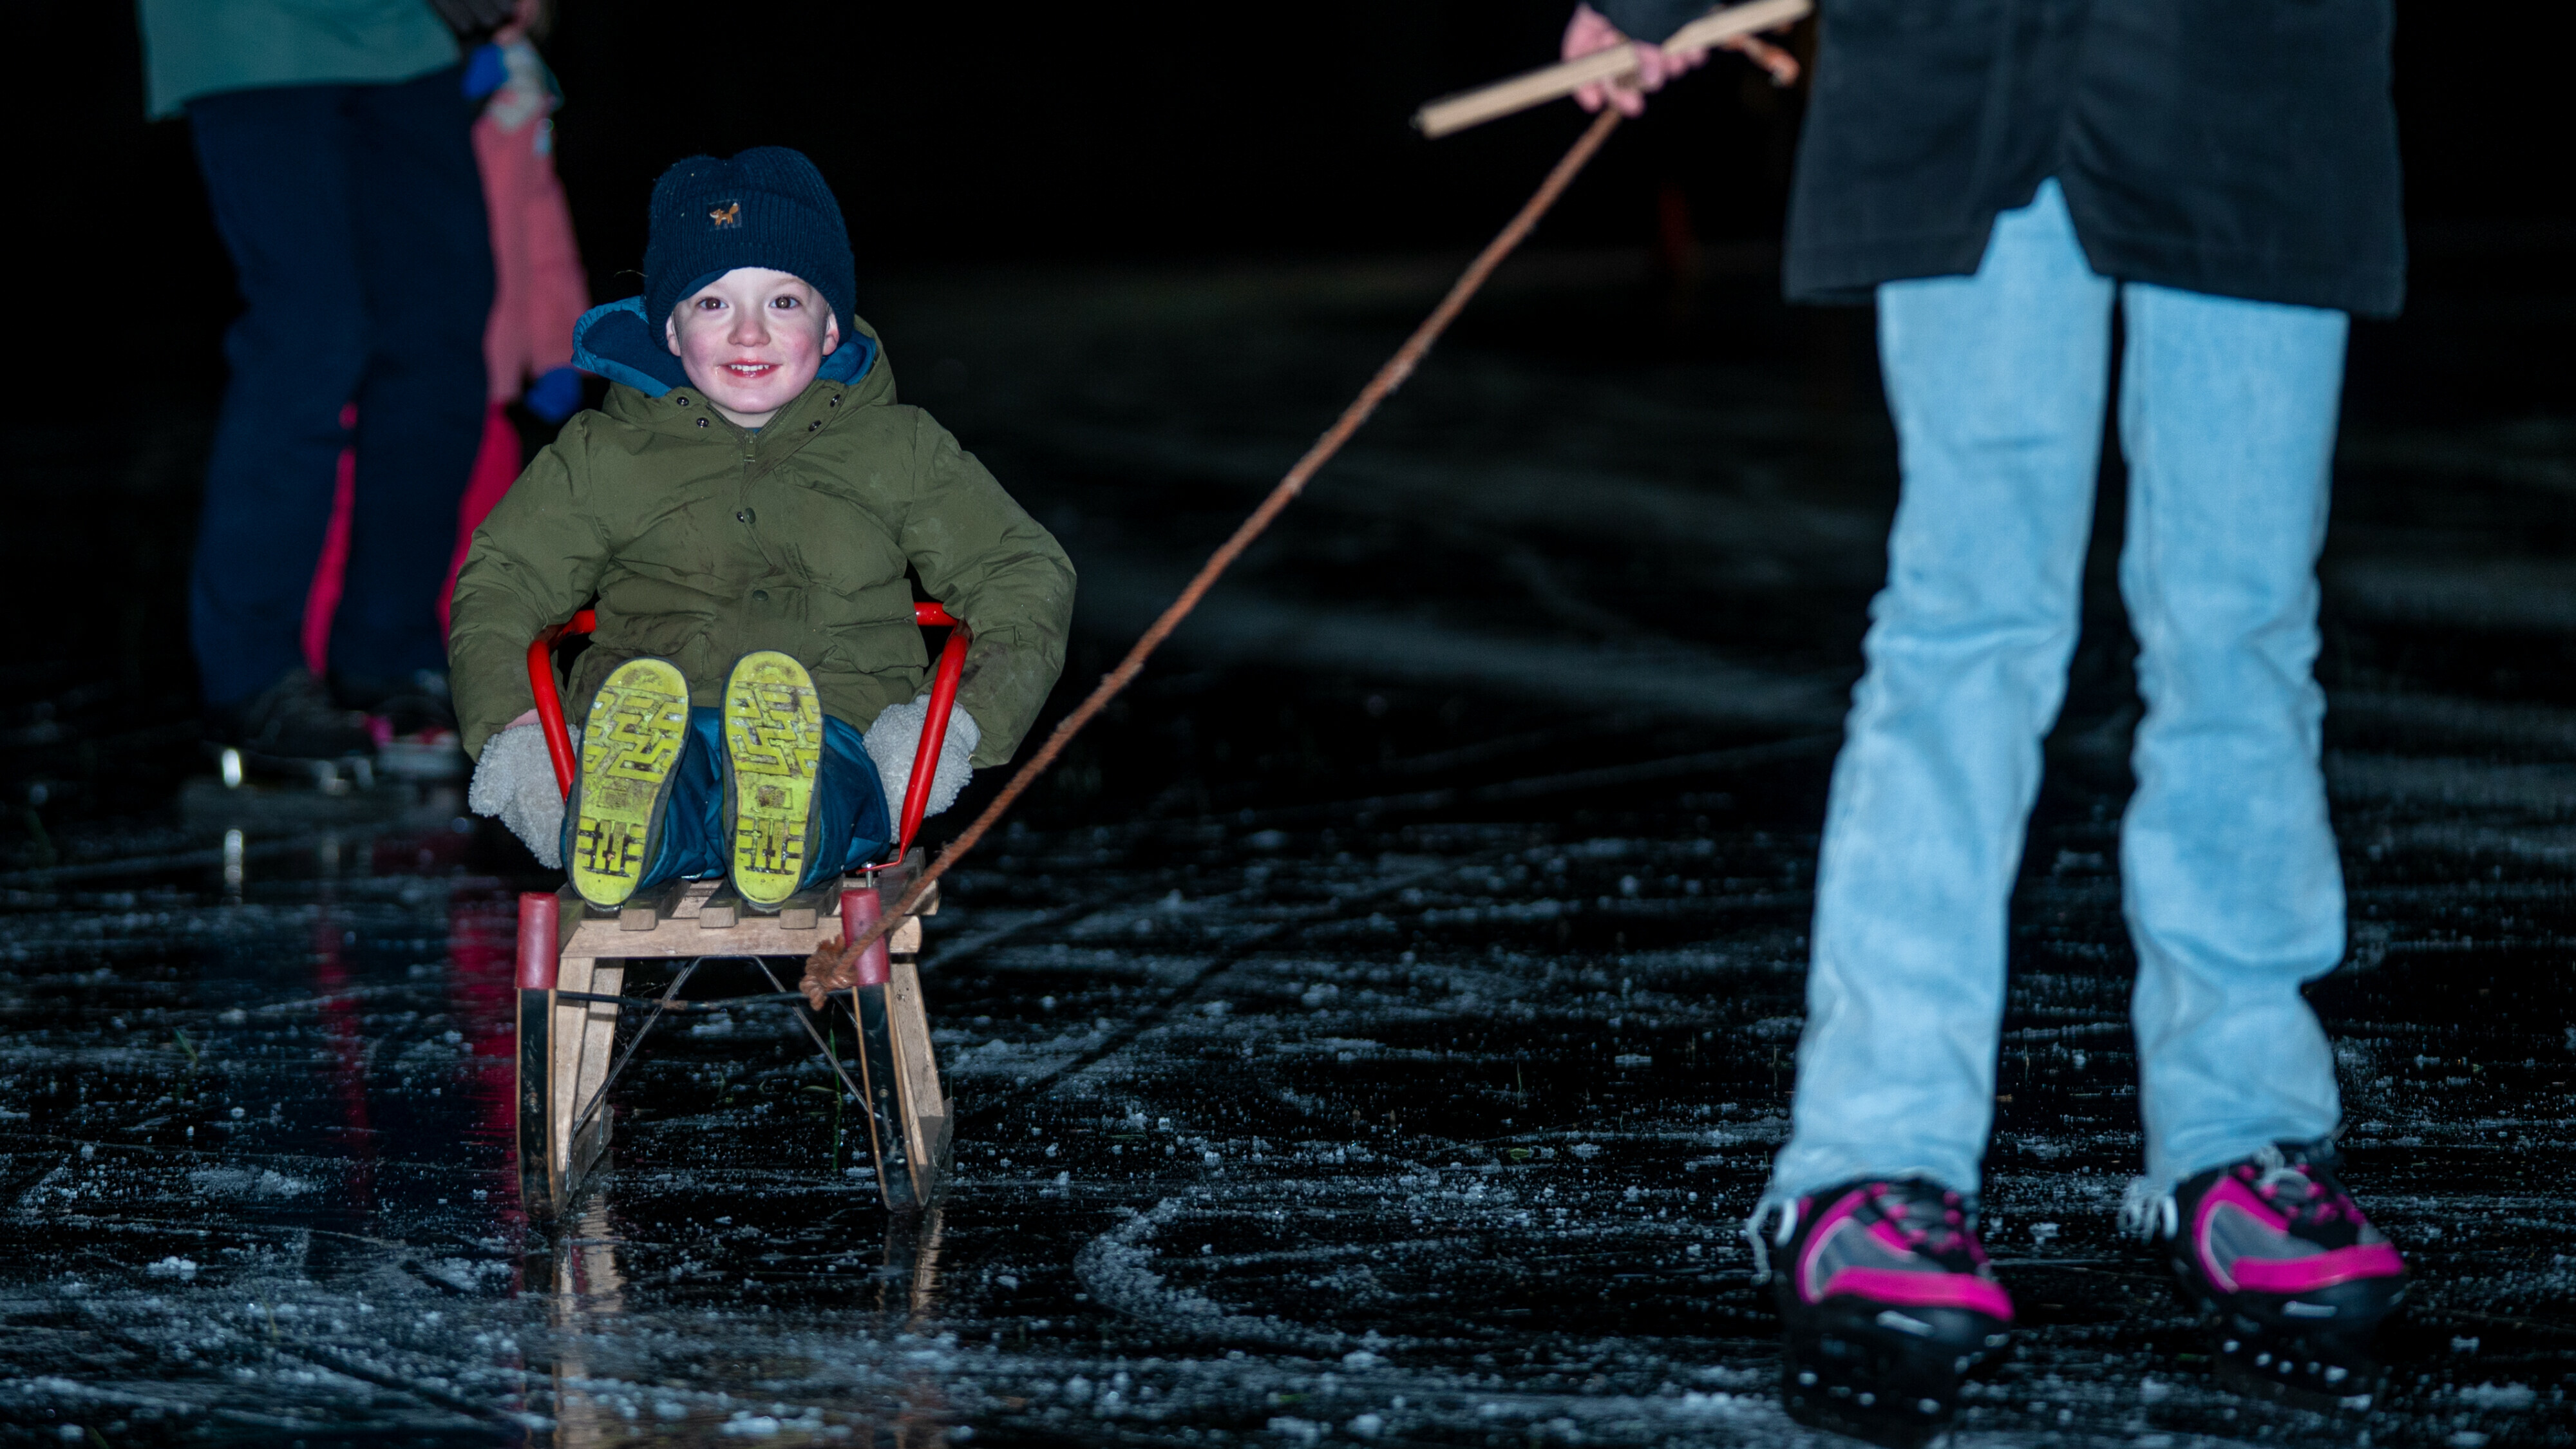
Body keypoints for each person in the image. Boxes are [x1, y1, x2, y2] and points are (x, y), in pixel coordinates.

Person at [1567, 1, 2411, 1438]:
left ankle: (2238, 1133)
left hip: (2251, 78)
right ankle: (1871, 1159)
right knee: (1966, 624)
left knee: (2240, 629)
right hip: (1978, 73)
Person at [448, 148, 1075, 912]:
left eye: (783, 303)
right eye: (712, 305)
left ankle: (788, 818)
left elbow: (1020, 569)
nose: (750, 335)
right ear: (670, 331)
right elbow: (505, 576)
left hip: (839, 729)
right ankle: (631, 830)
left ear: (831, 322)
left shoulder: (897, 450)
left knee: (831, 782)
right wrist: (515, 729)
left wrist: (957, 726)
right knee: (652, 788)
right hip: (647, 735)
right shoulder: (604, 455)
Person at [140, 0, 506, 769]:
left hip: (406, 35)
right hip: (259, 33)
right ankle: (251, 677)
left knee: (439, 330)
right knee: (310, 333)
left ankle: (389, 650)